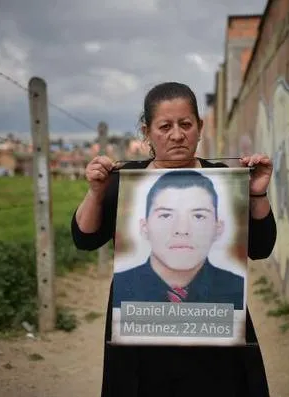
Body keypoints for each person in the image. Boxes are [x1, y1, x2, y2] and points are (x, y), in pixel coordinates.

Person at [71, 81, 277, 397]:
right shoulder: (127, 182)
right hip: (140, 337)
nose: (177, 135)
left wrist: (258, 192)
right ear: (147, 131)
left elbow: (261, 247)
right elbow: (84, 239)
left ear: (200, 127)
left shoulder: (223, 179)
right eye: (165, 126)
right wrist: (96, 193)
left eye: (186, 124)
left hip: (217, 335)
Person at [113, 169, 244, 308]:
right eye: (166, 215)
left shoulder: (237, 289)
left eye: (199, 216)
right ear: (144, 227)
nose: (182, 230)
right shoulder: (120, 288)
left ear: (218, 229)